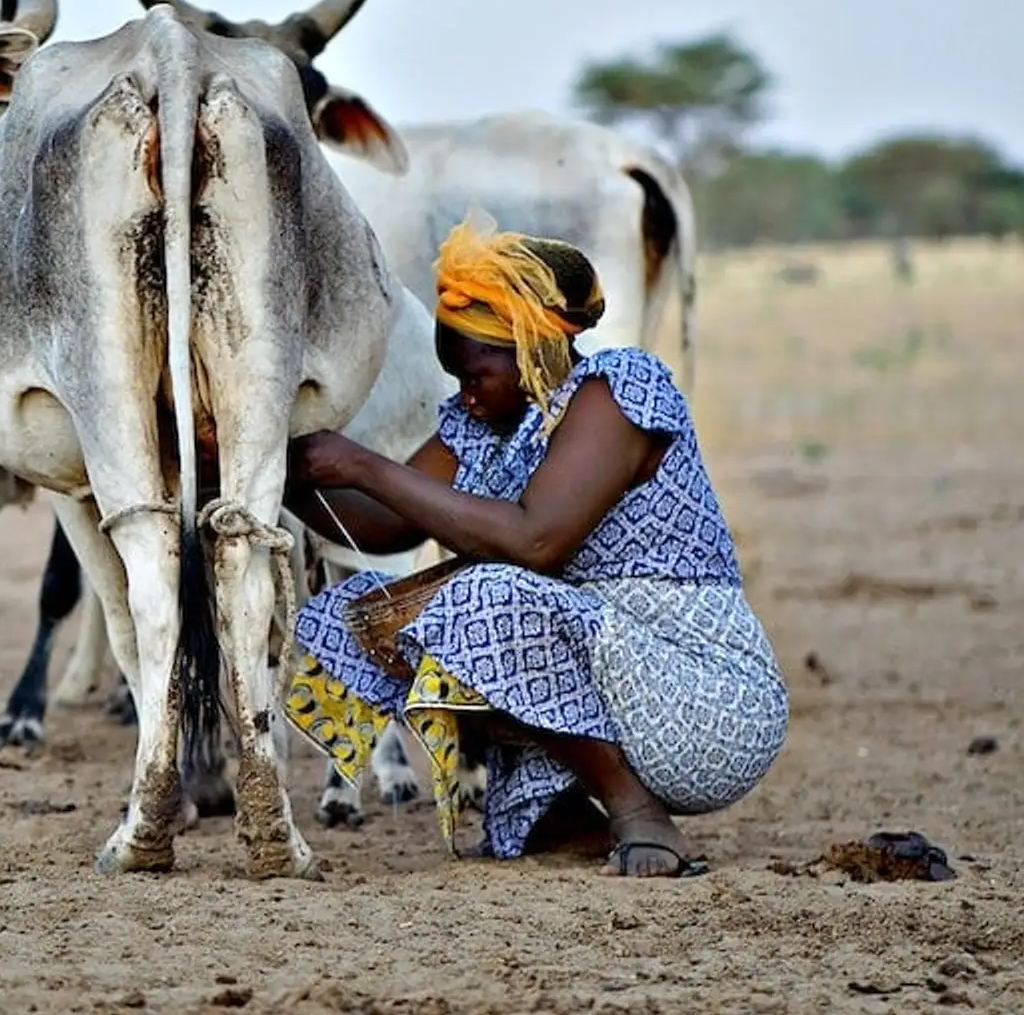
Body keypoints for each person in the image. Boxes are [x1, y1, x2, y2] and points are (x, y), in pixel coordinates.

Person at [282, 215, 787, 878]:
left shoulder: (618, 390)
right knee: (365, 616)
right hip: (607, 671)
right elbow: (385, 526)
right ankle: (565, 809)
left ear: (527, 346)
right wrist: (269, 465)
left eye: (475, 374)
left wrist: (361, 464)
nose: (464, 394)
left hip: (699, 697)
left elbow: (537, 540)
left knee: (481, 594)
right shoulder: (488, 421)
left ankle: (637, 811)